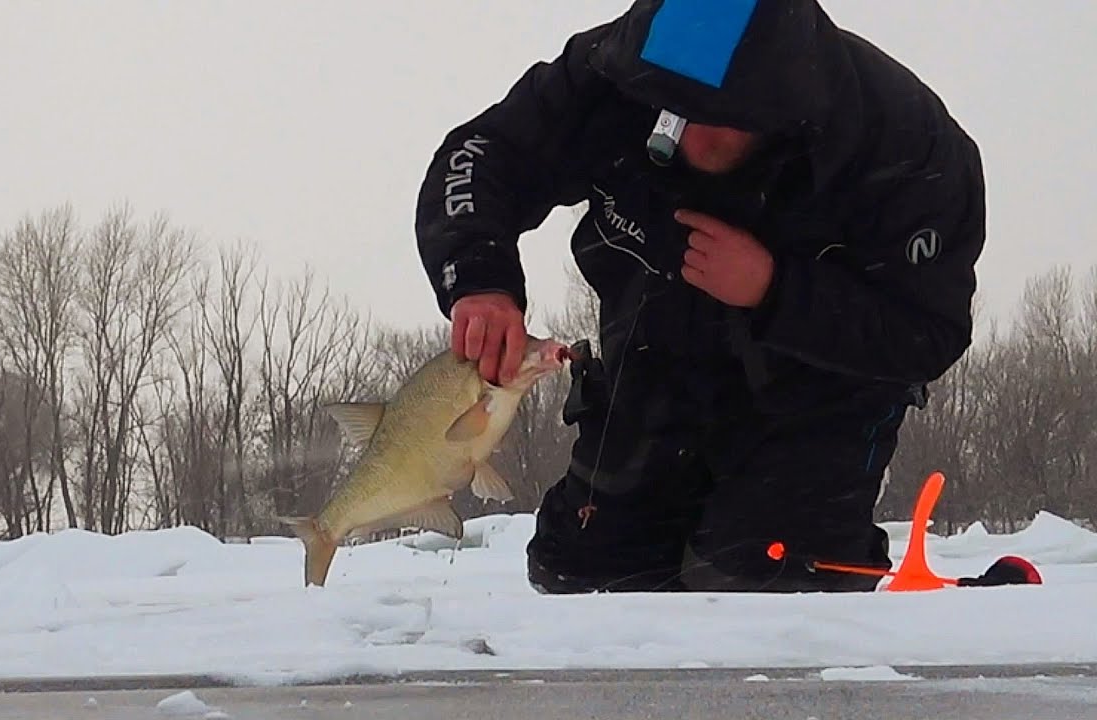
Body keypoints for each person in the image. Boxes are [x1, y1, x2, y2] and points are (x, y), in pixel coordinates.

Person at [413, 0, 986, 593]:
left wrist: (775, 289)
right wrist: (479, 280)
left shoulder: (903, 145)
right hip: (655, 365)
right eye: (673, 107)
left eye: (720, 114)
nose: (688, 133)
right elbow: (484, 153)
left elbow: (927, 331)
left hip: (821, 399)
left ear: (782, 109)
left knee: (756, 582)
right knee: (579, 572)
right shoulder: (610, 73)